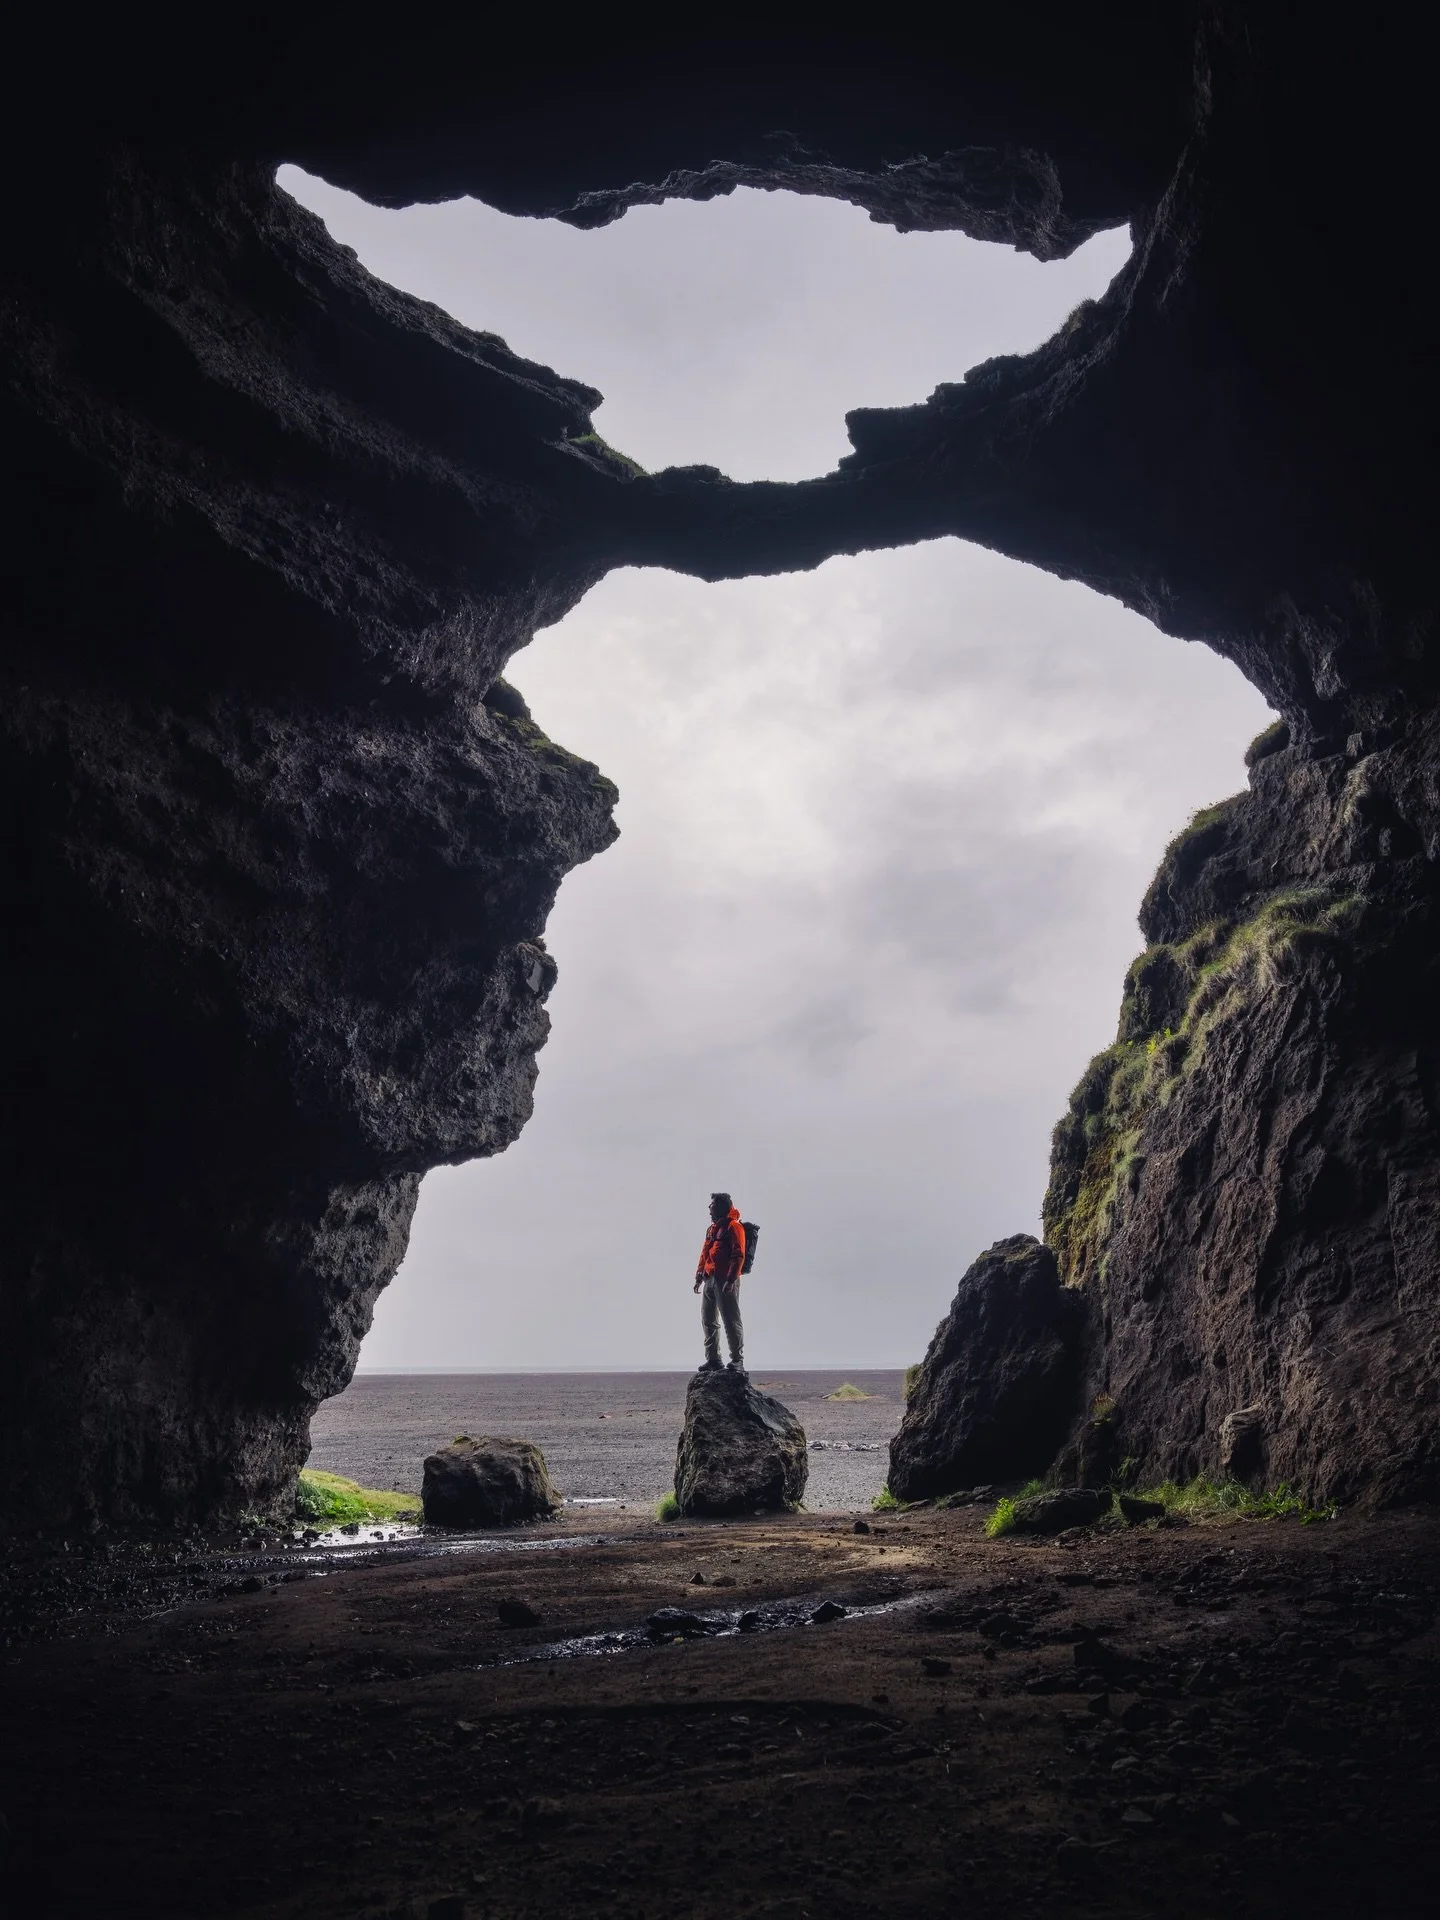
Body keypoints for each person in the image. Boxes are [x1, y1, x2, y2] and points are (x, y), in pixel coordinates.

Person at [694, 1191, 746, 1374]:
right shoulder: (712, 1229)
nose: (710, 1209)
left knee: (731, 1320)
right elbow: (705, 1252)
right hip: (709, 1278)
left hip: (725, 1280)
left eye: (713, 1205)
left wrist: (731, 1279)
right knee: (708, 1320)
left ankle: (737, 1360)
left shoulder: (734, 1227)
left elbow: (738, 1254)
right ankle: (713, 1359)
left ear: (722, 1206)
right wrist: (699, 1275)